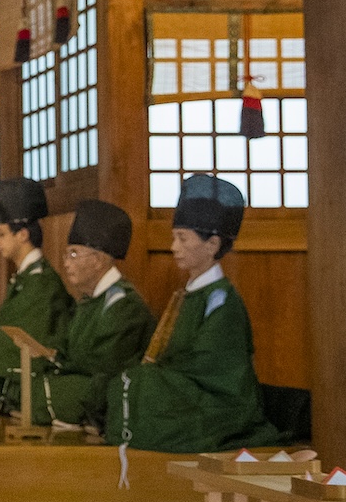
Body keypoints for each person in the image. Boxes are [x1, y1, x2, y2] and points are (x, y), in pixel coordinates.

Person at [101, 175, 284, 454]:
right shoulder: (187, 294)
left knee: (140, 385)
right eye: (174, 237)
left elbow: (211, 366)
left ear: (212, 245)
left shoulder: (221, 300)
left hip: (219, 400)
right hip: (186, 387)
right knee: (131, 381)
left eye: (182, 238)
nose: (174, 247)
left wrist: (163, 374)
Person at [27, 200, 157, 428]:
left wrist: (62, 366)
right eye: (66, 255)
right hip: (84, 385)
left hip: (106, 397)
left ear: (97, 260)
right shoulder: (90, 300)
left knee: (35, 395)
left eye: (73, 254)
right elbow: (67, 349)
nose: (66, 264)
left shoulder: (125, 304)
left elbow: (104, 366)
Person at [0, 177, 74, 413]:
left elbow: (26, 335)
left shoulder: (41, 282)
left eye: (1, 234)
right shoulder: (27, 277)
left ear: (22, 234)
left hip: (42, 365)